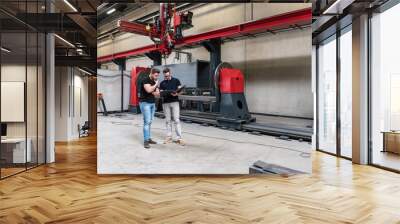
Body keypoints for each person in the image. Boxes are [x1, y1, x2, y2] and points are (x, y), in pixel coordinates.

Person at [159, 67, 185, 145]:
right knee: (168, 121)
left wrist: (177, 93)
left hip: (174, 102)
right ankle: (169, 137)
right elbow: (161, 93)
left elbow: (181, 90)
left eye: (167, 75)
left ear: (170, 73)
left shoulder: (176, 80)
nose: (166, 77)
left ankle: (179, 138)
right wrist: (162, 92)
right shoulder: (162, 83)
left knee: (176, 120)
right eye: (165, 76)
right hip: (165, 103)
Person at [139, 68, 160, 149]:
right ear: (151, 73)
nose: (156, 77)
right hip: (145, 103)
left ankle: (148, 138)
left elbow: (157, 94)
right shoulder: (145, 80)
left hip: (152, 103)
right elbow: (148, 90)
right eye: (155, 75)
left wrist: (156, 91)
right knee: (147, 121)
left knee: (150, 121)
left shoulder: (155, 81)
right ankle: (146, 141)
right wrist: (155, 84)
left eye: (157, 76)